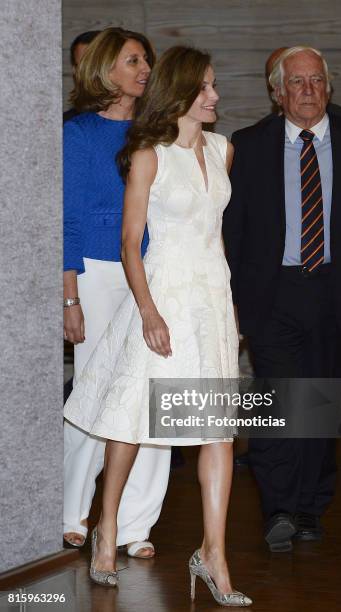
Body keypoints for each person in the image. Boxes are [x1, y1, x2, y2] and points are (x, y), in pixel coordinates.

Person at [64, 45, 252, 606]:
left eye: (215, 86)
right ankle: (107, 528)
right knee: (131, 418)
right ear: (183, 92)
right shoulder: (148, 154)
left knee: (217, 430)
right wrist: (147, 311)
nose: (216, 96)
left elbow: (216, 235)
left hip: (211, 298)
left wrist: (231, 307)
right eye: (207, 87)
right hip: (162, 294)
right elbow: (129, 244)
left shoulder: (223, 150)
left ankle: (213, 554)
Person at [223, 46, 341, 553]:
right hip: (271, 292)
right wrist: (232, 298)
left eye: (316, 81)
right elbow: (233, 230)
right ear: (277, 91)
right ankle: (278, 507)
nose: (308, 91)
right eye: (296, 82)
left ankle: (309, 508)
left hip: (335, 292)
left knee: (319, 402)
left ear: (329, 87)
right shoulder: (248, 145)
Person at [63, 27, 172, 559]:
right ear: (107, 70)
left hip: (156, 274)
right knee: (94, 393)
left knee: (151, 400)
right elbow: (67, 220)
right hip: (98, 275)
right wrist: (69, 295)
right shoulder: (78, 133)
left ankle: (135, 525)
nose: (145, 68)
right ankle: (71, 512)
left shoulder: (161, 132)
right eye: (134, 60)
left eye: (146, 60)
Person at [63, 30, 101, 123]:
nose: (90, 73)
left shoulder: (140, 119)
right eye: (83, 66)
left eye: (97, 64)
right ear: (75, 71)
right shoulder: (65, 125)